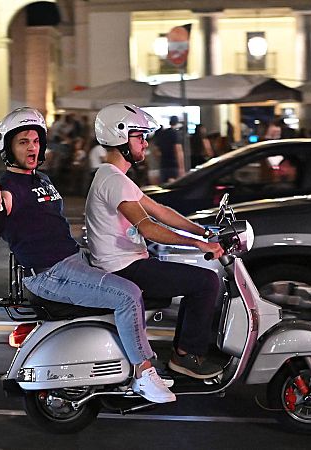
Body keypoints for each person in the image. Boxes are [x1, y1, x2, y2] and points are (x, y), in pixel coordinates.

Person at [0, 107, 176, 403]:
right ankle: (144, 373)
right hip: (49, 273)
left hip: (72, 262)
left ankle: (127, 364)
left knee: (137, 282)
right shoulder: (7, 190)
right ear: (8, 149)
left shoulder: (40, 179)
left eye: (36, 141)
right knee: (127, 294)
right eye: (23, 142)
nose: (32, 147)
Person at [85, 102, 226, 379]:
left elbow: (160, 211)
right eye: (140, 137)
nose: (146, 144)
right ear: (120, 137)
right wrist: (198, 244)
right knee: (206, 282)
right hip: (123, 268)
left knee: (195, 280)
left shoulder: (115, 177)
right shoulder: (113, 180)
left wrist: (203, 232)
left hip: (129, 262)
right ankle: (186, 356)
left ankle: (186, 351)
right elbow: (148, 227)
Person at [154, 115, 184, 183]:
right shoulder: (175, 133)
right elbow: (178, 151)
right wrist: (181, 168)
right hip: (174, 165)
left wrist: (161, 160)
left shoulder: (162, 134)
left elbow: (156, 152)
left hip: (163, 165)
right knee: (175, 187)